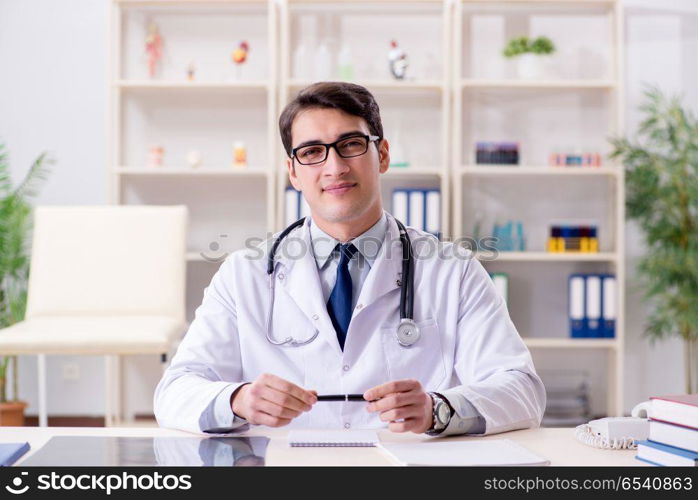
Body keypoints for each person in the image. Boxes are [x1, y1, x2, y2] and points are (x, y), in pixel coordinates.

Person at [154, 82, 545, 437]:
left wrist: (438, 409)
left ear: (383, 154)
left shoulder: (452, 270)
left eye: (352, 144)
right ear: (293, 171)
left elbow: (521, 389)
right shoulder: (245, 273)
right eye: (311, 152)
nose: (334, 167)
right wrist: (237, 400)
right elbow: (175, 391)